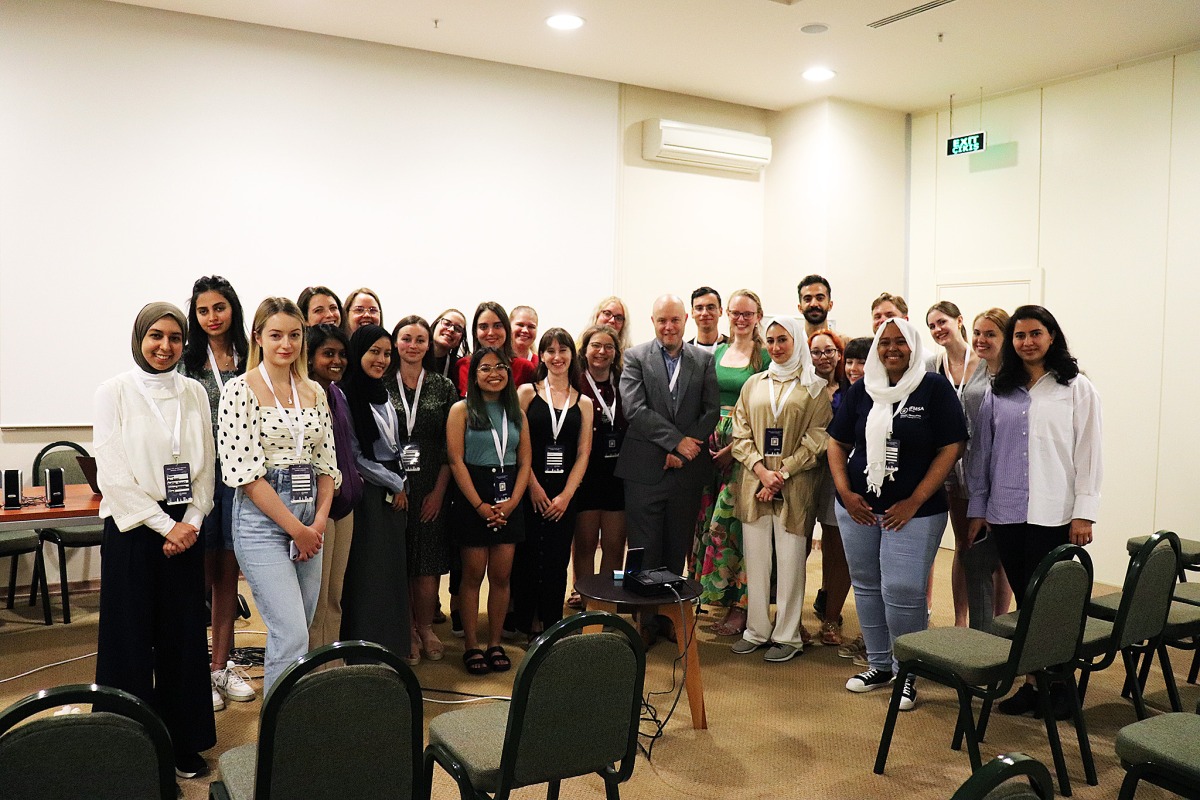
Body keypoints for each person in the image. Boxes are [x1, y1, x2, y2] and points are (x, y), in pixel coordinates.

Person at [95, 301, 216, 780]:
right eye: (155, 337)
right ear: (139, 338)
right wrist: (166, 528)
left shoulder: (194, 393)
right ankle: (123, 744)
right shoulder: (114, 391)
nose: (165, 347)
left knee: (183, 639)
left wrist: (190, 520)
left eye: (173, 338)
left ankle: (183, 741)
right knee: (128, 641)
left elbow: (205, 464)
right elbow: (113, 472)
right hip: (132, 527)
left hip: (186, 526)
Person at [967, 304, 1101, 717]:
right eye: (1020, 336)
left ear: (1052, 337)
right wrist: (979, 507)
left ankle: (1060, 687)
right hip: (1006, 511)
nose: (1027, 343)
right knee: (1027, 603)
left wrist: (1085, 512)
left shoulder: (1076, 388)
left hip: (1055, 512)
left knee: (1052, 603)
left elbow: (1089, 452)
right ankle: (1031, 682)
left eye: (1035, 334)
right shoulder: (998, 389)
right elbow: (983, 453)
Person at [828, 317, 967, 712]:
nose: (892, 348)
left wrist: (915, 500)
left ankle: (907, 672)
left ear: (913, 346)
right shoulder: (863, 390)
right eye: (884, 342)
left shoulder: (933, 388)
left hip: (915, 512)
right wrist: (845, 491)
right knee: (868, 584)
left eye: (900, 342)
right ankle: (878, 666)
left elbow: (951, 447)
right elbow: (836, 443)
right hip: (858, 507)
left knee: (904, 589)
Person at [218, 297, 340, 695]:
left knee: (299, 634)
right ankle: (279, 737)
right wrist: (297, 530)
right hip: (263, 521)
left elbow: (326, 466)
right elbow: (247, 477)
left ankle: (294, 722)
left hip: (311, 519)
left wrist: (317, 524)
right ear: (258, 337)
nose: (286, 344)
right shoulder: (240, 390)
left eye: (294, 335)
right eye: (276, 335)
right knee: (289, 633)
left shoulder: (313, 392)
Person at [617, 294, 719, 646]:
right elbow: (634, 408)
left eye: (675, 320)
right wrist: (676, 442)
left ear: (686, 319)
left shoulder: (703, 360)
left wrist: (685, 448)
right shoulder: (634, 357)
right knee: (644, 549)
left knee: (676, 547)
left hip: (686, 471)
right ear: (653, 321)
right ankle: (642, 620)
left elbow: (710, 411)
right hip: (645, 468)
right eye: (662, 321)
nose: (669, 327)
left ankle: (668, 618)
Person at [729, 317, 831, 662]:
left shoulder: (814, 388)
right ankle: (756, 630)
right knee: (756, 562)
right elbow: (739, 433)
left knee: (790, 563)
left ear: (796, 341)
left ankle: (787, 635)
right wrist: (762, 470)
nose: (775, 346)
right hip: (755, 483)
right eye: (770, 340)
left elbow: (818, 439)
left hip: (795, 485)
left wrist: (782, 473)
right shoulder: (754, 384)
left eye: (783, 339)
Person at [179, 276, 255, 712]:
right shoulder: (187, 361)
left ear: (233, 310)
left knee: (228, 576)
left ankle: (220, 666)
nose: (211, 317)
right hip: (198, 479)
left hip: (242, 478)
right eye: (203, 310)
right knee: (197, 579)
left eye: (219, 308)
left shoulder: (249, 357)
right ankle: (194, 672)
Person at [446, 347, 532, 674]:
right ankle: (472, 645)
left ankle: (494, 643)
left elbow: (525, 462)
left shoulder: (517, 413)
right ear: (474, 373)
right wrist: (480, 506)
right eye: (485, 368)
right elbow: (455, 460)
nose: (493, 373)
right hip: (473, 495)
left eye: (500, 367)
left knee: (501, 576)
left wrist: (511, 502)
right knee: (472, 575)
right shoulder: (461, 410)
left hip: (509, 495)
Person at [691, 289, 768, 638]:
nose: (740, 319)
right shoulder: (717, 353)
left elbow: (765, 409)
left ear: (757, 316)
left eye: (747, 313)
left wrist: (735, 447)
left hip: (745, 447)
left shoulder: (763, 356)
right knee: (711, 525)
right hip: (711, 446)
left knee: (736, 527)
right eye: (735, 313)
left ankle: (743, 606)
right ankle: (719, 600)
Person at [338, 324, 414, 663]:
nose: (381, 359)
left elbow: (396, 445)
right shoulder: (346, 394)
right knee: (369, 574)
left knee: (392, 572)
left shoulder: (383, 393)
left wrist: (402, 480)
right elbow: (355, 457)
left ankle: (392, 648)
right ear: (358, 353)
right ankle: (365, 651)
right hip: (368, 495)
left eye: (386, 353)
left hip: (393, 490)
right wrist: (395, 483)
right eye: (374, 352)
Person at [512, 328, 593, 637]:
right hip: (530, 484)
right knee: (529, 555)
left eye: (563, 350)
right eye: (550, 350)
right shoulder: (527, 393)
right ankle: (526, 622)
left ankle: (552, 623)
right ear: (541, 355)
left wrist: (567, 496)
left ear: (572, 355)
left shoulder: (583, 402)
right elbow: (518, 446)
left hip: (564, 492)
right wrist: (531, 485)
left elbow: (584, 452)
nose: (557, 357)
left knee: (557, 559)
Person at [388, 315, 458, 661]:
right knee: (398, 558)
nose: (412, 345)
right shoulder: (383, 382)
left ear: (429, 345)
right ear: (395, 342)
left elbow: (452, 444)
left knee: (427, 561)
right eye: (406, 338)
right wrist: (394, 483)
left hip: (433, 483)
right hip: (391, 486)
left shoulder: (443, 386)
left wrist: (439, 491)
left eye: (420, 339)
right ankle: (406, 629)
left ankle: (425, 626)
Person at [925, 300, 987, 629]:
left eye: (943, 322)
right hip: (950, 467)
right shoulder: (932, 366)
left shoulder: (986, 363)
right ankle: (960, 622)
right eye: (932, 325)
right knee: (963, 544)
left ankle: (996, 622)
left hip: (985, 465)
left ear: (959, 320)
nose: (938, 329)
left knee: (993, 548)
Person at [305, 324, 364, 652]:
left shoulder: (337, 393)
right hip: (319, 508)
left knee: (334, 596)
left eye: (342, 354)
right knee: (316, 597)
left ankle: (333, 662)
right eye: (328, 354)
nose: (337, 360)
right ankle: (315, 669)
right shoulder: (301, 395)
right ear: (310, 358)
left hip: (346, 507)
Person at [569, 324, 627, 610]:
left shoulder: (625, 381)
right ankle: (584, 593)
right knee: (585, 543)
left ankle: (607, 596)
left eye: (608, 347)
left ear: (615, 352)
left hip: (618, 474)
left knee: (615, 545)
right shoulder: (575, 382)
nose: (601, 352)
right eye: (596, 346)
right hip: (586, 473)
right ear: (585, 349)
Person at [808, 328, 854, 647]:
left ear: (839, 354)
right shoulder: (801, 386)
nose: (823, 357)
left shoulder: (852, 389)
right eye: (816, 352)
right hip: (803, 471)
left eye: (829, 351)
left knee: (836, 545)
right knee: (797, 544)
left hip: (839, 473)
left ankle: (831, 617)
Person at [454, 301, 536, 396]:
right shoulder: (462, 366)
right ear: (475, 332)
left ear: (507, 329)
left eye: (497, 326)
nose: (491, 333)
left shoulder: (524, 368)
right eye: (483, 327)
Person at [429, 308, 469, 379]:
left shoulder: (458, 368)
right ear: (435, 325)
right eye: (447, 324)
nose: (451, 330)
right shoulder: (415, 356)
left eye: (458, 329)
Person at [688, 286, 728, 351]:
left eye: (710, 307)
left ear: (720, 311)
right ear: (692, 312)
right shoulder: (684, 352)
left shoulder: (733, 347)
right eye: (699, 308)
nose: (705, 313)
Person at [797, 274, 835, 338]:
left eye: (820, 298)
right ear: (800, 308)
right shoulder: (793, 346)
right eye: (808, 299)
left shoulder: (843, 345)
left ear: (830, 305)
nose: (814, 304)